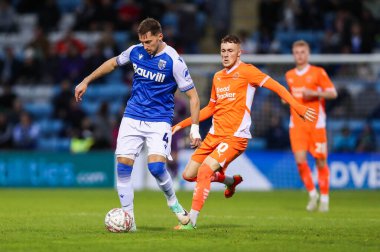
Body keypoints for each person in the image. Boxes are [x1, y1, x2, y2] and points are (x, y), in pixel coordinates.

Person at [172, 35, 316, 229]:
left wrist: (297, 106)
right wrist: (182, 124)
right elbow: (209, 109)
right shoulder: (217, 77)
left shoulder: (248, 72)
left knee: (205, 170)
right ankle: (230, 181)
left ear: (239, 53)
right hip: (214, 135)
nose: (226, 54)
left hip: (235, 137)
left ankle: (192, 221)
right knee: (189, 175)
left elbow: (277, 87)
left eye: (230, 51)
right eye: (223, 50)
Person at [74, 18, 201, 231]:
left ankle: (174, 203)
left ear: (160, 36)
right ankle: (129, 221)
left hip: (159, 120)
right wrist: (86, 80)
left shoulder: (174, 61)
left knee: (156, 167)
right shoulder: (136, 51)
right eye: (142, 42)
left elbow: (194, 97)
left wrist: (195, 129)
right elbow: (112, 63)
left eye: (149, 42)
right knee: (123, 168)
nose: (145, 46)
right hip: (132, 116)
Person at [285, 40, 337, 212]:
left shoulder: (318, 72)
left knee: (321, 161)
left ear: (308, 54)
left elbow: (333, 93)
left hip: (316, 124)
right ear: (293, 54)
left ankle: (324, 198)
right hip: (297, 124)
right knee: (300, 161)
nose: (299, 55)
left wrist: (315, 93)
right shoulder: (289, 75)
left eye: (302, 52)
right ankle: (312, 194)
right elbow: (291, 95)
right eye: (296, 52)